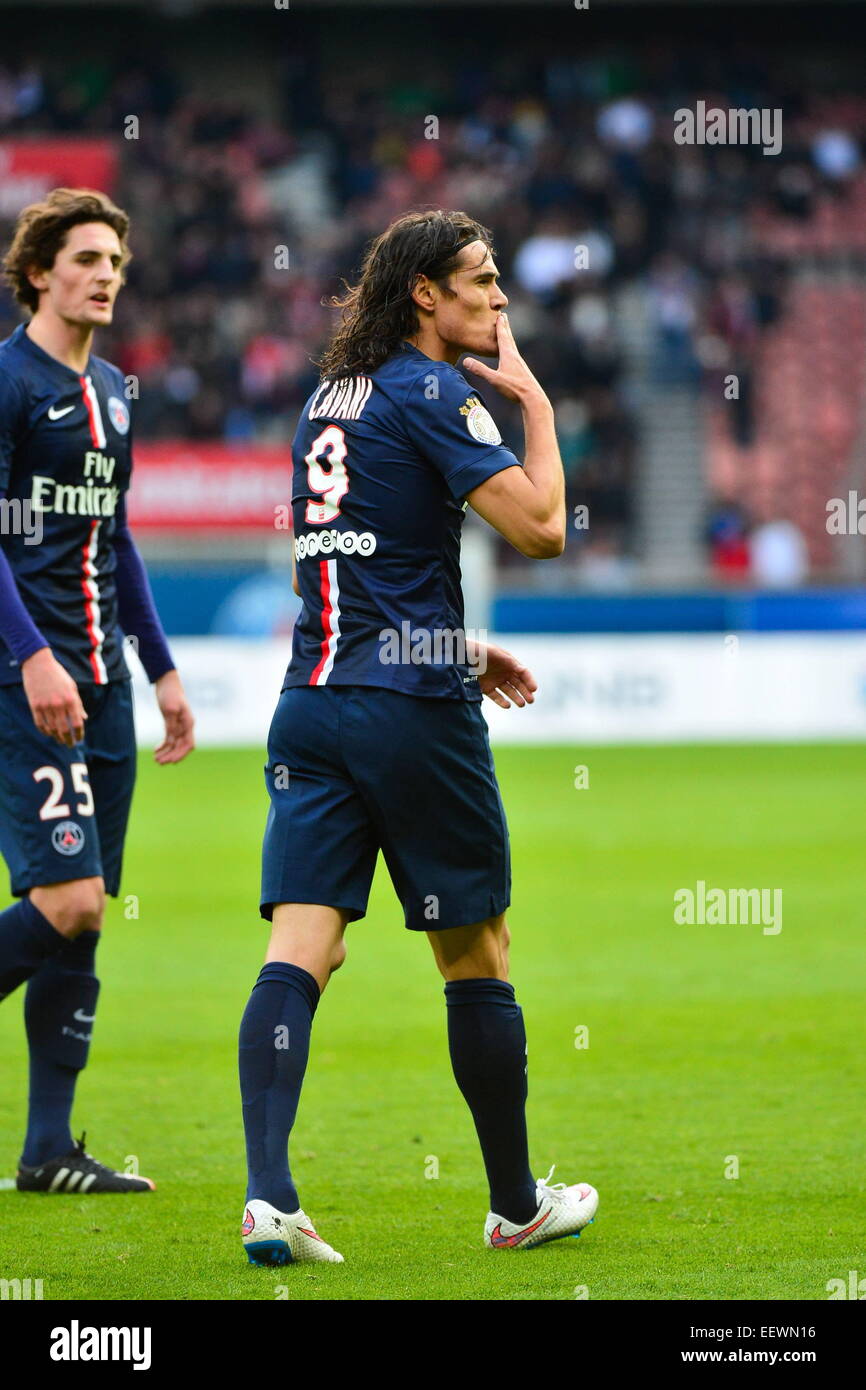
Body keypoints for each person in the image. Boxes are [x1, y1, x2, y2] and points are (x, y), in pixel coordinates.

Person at [239, 209, 598, 1264]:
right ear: (423, 297)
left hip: (310, 702)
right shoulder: (435, 388)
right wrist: (531, 403)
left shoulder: (325, 399)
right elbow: (536, 525)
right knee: (473, 949)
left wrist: (460, 647)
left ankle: (270, 1197)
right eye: (479, 281)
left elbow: (362, 560)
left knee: (300, 946)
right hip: (407, 715)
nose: (496, 298)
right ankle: (512, 1202)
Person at [0, 188, 195, 1193]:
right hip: (21, 679)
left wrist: (159, 669)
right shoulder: (6, 381)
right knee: (65, 899)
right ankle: (44, 1145)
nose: (106, 272)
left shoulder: (115, 391)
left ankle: (47, 1148)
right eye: (85, 257)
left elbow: (114, 538)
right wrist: (32, 655)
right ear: (40, 272)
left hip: (103, 688)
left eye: (116, 257)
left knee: (83, 911)